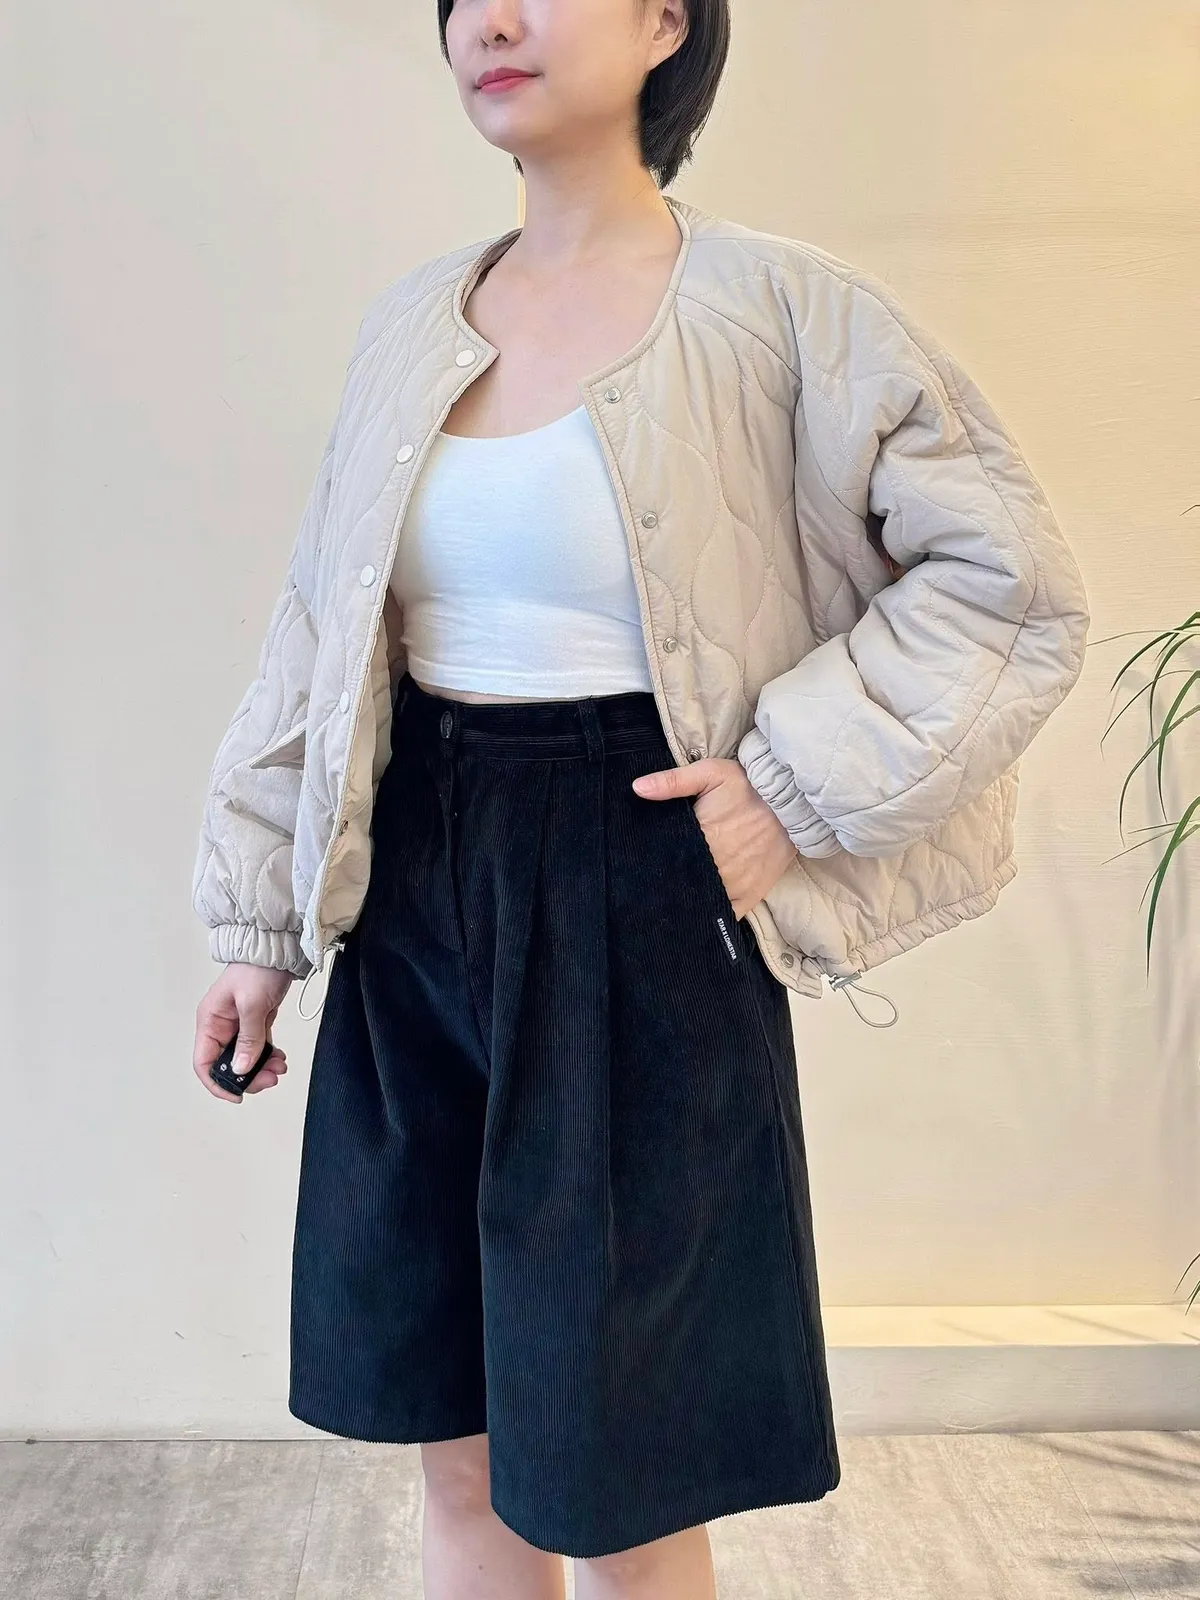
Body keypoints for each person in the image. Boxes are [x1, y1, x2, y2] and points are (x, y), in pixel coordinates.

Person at [190, 0, 1091, 1594]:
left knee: (622, 1469)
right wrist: (257, 926)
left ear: (667, 20)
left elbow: (1005, 585)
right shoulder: (410, 326)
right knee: (454, 1444)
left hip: (637, 890)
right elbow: (322, 635)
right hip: (412, 897)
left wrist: (788, 787)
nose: (491, 20)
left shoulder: (784, 310)